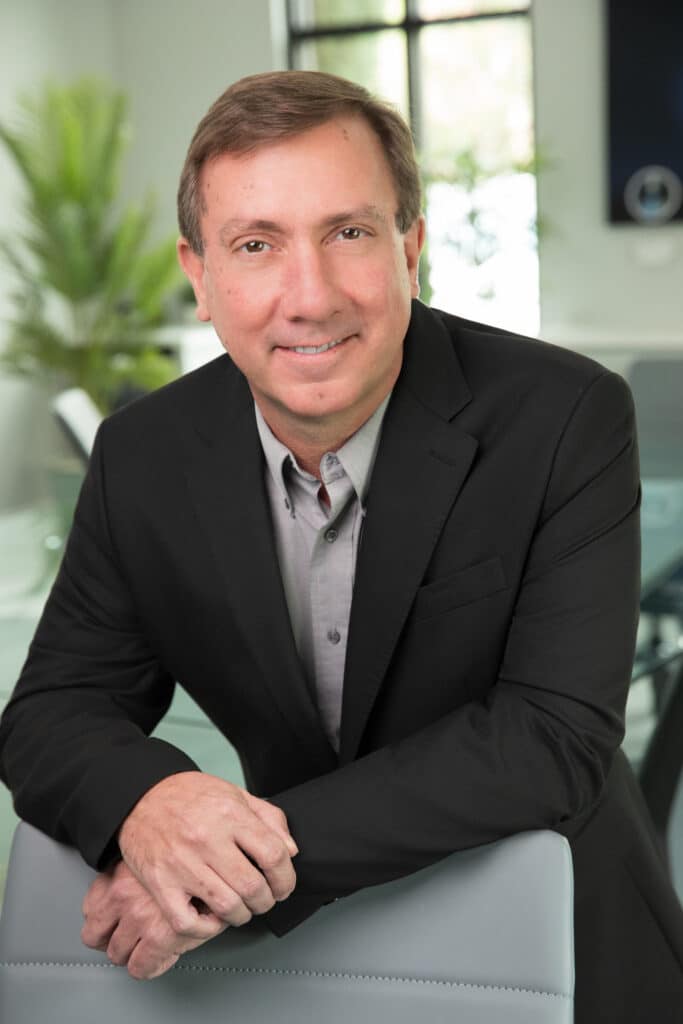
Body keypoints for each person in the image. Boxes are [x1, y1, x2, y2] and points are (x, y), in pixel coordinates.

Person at [1, 70, 682, 1022]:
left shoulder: (564, 416)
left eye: (349, 233)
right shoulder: (144, 455)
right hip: (297, 970)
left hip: (564, 939)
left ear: (411, 248)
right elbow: (52, 709)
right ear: (199, 277)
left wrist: (235, 869)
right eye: (255, 245)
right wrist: (150, 804)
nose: (308, 296)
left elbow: (552, 738)